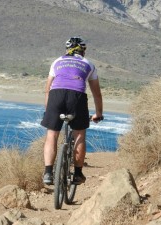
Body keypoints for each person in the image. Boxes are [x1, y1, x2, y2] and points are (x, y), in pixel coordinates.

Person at [41, 36, 103, 185]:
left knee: (52, 134)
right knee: (79, 134)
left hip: (56, 96)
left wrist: (48, 110)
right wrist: (98, 114)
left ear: (67, 50)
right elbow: (97, 93)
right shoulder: (89, 64)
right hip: (77, 97)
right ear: (84, 51)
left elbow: (48, 89)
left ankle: (48, 173)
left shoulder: (57, 61)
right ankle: (78, 174)